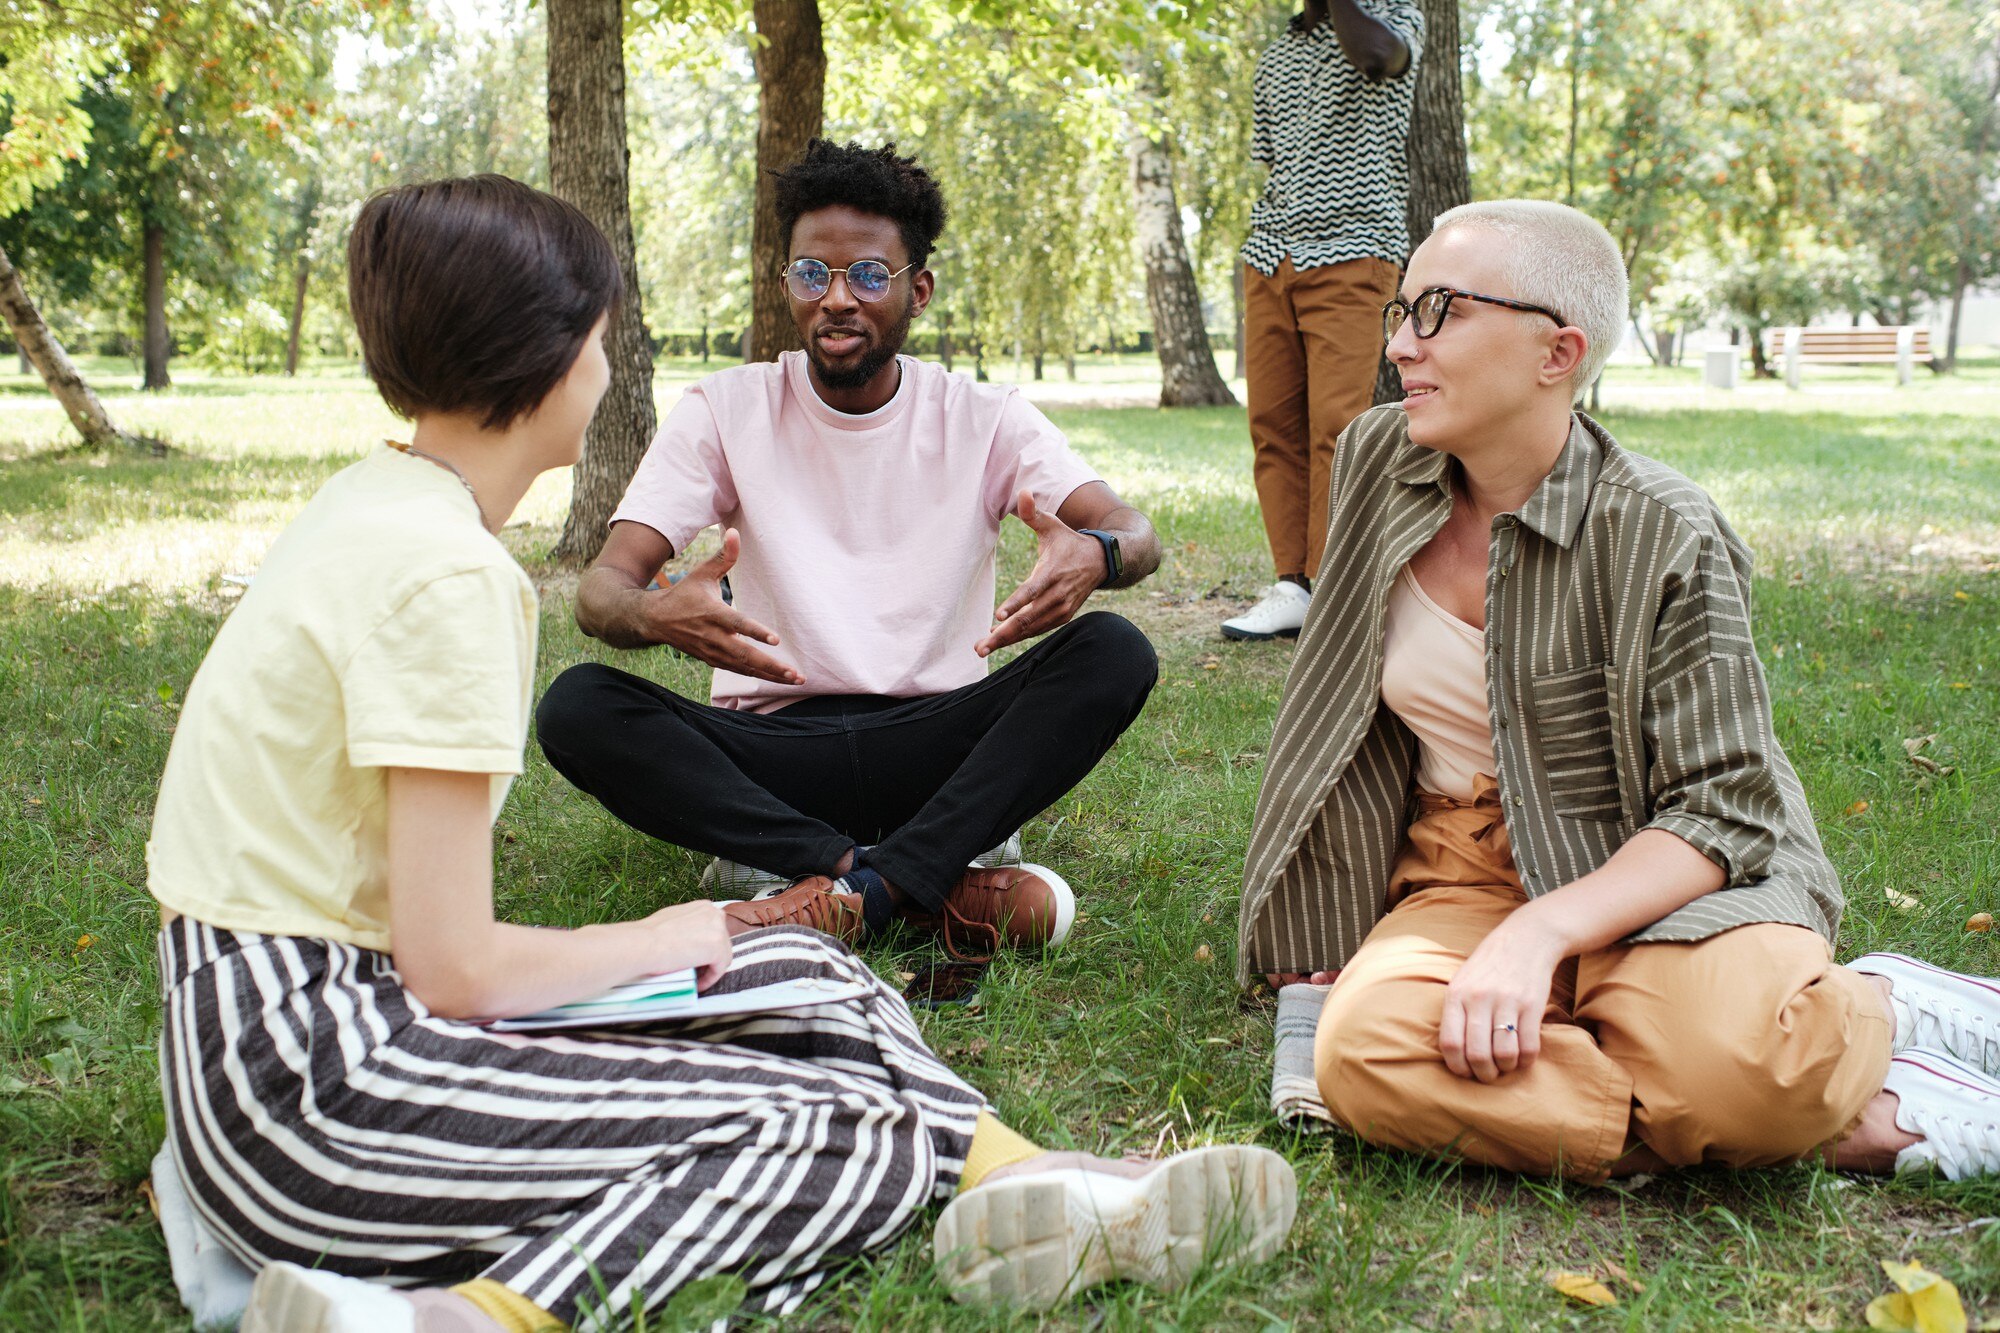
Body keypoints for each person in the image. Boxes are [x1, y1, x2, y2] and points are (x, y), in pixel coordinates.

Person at [147, 175, 1296, 1333]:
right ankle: (458, 1320)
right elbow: (453, 974)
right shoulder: (451, 574)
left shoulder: (378, 504)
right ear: (548, 359)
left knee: (803, 973)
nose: (605, 366)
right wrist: (676, 931)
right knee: (840, 1133)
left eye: (864, 274)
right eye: (599, 339)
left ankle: (1028, 1174)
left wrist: (1097, 553)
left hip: (282, 1034)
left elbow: (432, 962)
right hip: (318, 1081)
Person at [1237, 199, 2000, 1183]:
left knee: (1721, 1065)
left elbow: (1724, 805)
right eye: (1399, 310)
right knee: (1362, 1055)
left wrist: (1539, 931)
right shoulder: (1383, 460)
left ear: (1555, 353)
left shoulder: (1662, 527)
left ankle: (1873, 1010)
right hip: (1456, 862)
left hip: (1652, 852)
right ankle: (1791, 1109)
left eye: (1439, 313)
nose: (1399, 347)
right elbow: (1334, 696)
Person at [535, 140, 1162, 960]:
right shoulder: (726, 409)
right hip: (775, 753)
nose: (836, 299)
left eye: (868, 275)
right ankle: (906, 879)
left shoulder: (983, 416)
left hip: (934, 742)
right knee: (578, 705)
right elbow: (599, 593)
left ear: (918, 290)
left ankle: (827, 893)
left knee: (1115, 650)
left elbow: (1134, 530)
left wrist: (1099, 556)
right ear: (787, 281)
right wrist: (654, 611)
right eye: (811, 274)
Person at [1223, 0, 1423, 642]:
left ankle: (1332, 588)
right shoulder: (1279, 50)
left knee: (1337, 428)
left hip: (1353, 249)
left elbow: (1380, 57)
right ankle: (1291, 586)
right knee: (1273, 426)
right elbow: (1276, 158)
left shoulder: (1392, 16)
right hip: (1271, 252)